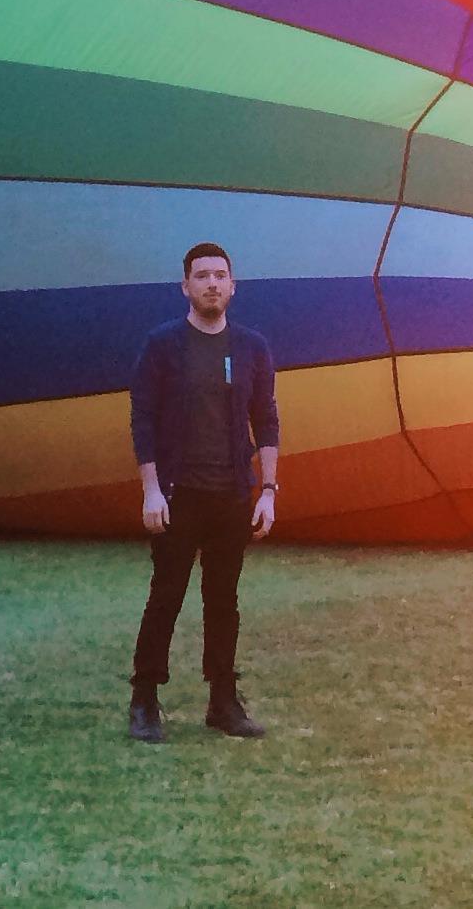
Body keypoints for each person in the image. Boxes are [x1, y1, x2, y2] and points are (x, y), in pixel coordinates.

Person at [125, 241, 279, 743]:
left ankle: (223, 702)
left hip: (232, 494)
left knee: (223, 600)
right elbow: (143, 419)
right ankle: (145, 700)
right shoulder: (163, 344)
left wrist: (268, 491)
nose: (212, 283)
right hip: (177, 493)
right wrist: (152, 492)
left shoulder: (252, 346)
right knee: (165, 597)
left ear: (233, 285)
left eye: (220, 275)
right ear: (185, 286)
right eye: (202, 276)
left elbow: (267, 420)